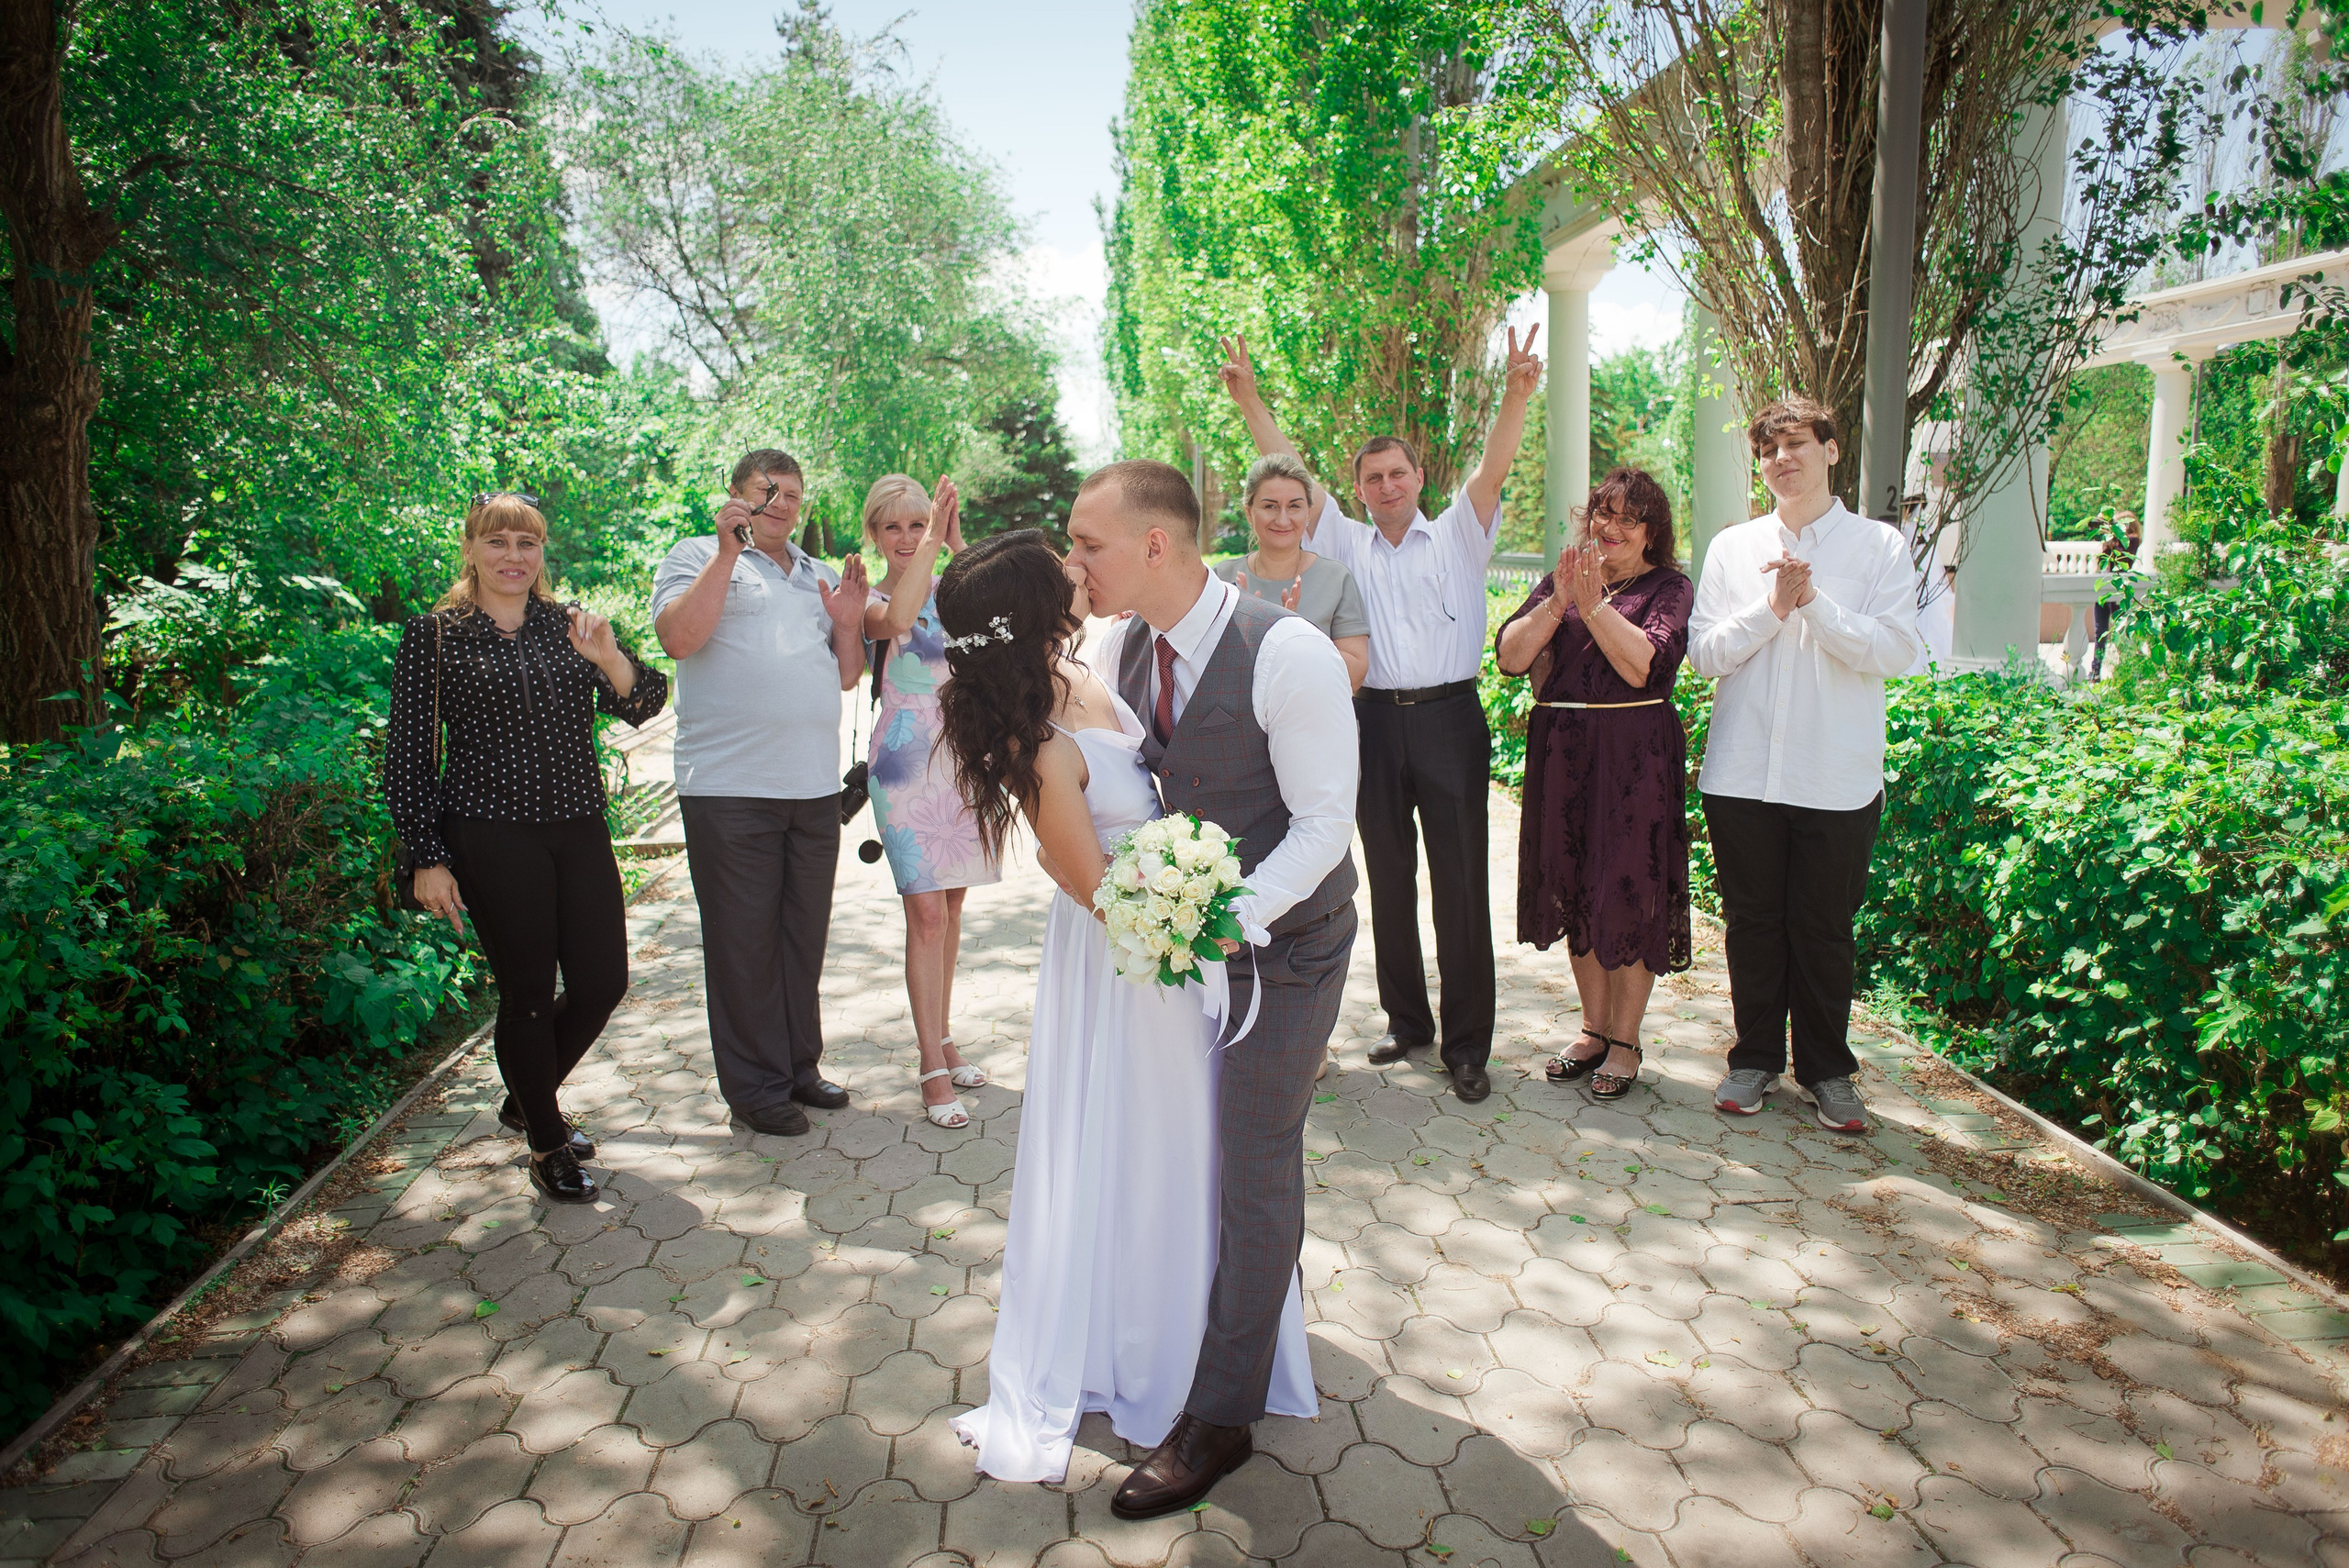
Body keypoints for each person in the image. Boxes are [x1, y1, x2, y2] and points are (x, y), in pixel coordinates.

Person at [934, 524, 1325, 1491]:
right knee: (1143, 1151)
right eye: (1061, 563)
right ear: (1033, 610)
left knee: (1200, 1148)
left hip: (1165, 954)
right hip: (1125, 962)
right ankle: (1147, 1357)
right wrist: (1186, 903)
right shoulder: (1035, 739)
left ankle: (1214, 1337)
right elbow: (1089, 885)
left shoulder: (1095, 661)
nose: (1080, 567)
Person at [1219, 327, 1543, 1103]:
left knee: (1461, 883)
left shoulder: (1461, 534)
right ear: (1358, 488)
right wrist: (1251, 402)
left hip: (1452, 721)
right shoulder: (1347, 543)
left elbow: (1494, 468)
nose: (1387, 485)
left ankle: (1468, 1045)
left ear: (1418, 477)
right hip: (1368, 725)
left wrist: (1515, 396)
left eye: (1398, 473)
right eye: (1373, 477)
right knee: (1389, 878)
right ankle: (1409, 1021)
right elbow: (1287, 472)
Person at [387, 492, 668, 1205]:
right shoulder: (437, 635)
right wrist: (426, 855)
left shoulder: (568, 625)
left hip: (577, 827)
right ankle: (546, 1143)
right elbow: (410, 755)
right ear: (472, 549)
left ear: (542, 553)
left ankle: (527, 1095)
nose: (513, 555)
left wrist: (609, 657)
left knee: (604, 982)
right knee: (528, 995)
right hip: (489, 833)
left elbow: (643, 702)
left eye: (527, 543)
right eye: (498, 541)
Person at [1689, 397, 1923, 1134]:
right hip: (1742, 773)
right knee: (1753, 924)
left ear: (1829, 448)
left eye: (1795, 444)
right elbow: (1704, 655)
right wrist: (1773, 607)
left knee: (1824, 929)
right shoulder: (1732, 547)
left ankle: (1828, 1071)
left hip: (1836, 777)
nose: (1781, 459)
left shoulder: (1878, 547)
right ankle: (1753, 1058)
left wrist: (1815, 603)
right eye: (1768, 449)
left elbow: (1895, 651)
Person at [651, 450, 870, 1139]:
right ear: (738, 495)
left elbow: (845, 676)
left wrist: (847, 618)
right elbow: (679, 639)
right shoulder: (694, 555)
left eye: (793, 496)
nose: (781, 504)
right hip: (728, 786)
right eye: (766, 492)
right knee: (744, 942)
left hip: (811, 784)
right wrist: (726, 553)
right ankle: (754, 1087)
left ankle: (798, 1066)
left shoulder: (816, 573)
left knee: (801, 937)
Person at [1494, 468, 1694, 1102]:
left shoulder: (1670, 588)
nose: (1608, 527)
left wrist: (1594, 604)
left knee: (1628, 892)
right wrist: (1559, 601)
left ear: (1651, 534)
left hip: (1635, 758)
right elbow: (1510, 655)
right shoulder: (1565, 581)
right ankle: (1592, 1027)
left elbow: (1643, 665)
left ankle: (1627, 1041)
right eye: (1601, 514)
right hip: (1565, 755)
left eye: (1626, 519)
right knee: (1577, 887)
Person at [861, 473, 999, 1129]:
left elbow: (997, 632)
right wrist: (934, 554)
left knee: (950, 905)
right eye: (895, 527)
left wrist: (959, 544)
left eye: (920, 524)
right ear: (875, 536)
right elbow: (900, 619)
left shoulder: (953, 589)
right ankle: (930, 1065)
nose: (910, 538)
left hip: (961, 756)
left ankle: (945, 1037)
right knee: (926, 916)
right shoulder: (867, 596)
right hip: (905, 762)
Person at [1213, 452, 1371, 691]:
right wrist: (1237, 636)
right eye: (1270, 506)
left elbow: (1356, 672)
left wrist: (1295, 635)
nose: (1283, 519)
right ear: (1249, 512)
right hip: (1238, 725)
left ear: (1308, 512)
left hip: (1313, 722)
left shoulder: (1336, 578)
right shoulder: (1221, 579)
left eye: (1294, 506)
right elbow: (1194, 662)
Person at [2088, 509, 2142, 680]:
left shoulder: (2131, 540)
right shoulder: (2110, 541)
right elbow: (2104, 560)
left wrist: (2111, 535)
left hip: (2119, 590)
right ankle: (2096, 670)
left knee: (2122, 631)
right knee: (2100, 631)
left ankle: (2130, 668)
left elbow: (2121, 558)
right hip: (2105, 589)